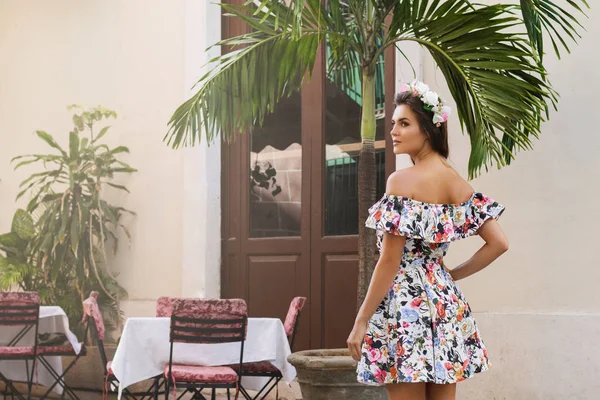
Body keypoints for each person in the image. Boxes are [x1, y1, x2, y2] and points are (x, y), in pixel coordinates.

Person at [347, 81, 509, 400]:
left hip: (407, 306)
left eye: (404, 123)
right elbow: (499, 243)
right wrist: (449, 275)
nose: (394, 130)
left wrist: (361, 320)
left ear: (428, 130)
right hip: (446, 303)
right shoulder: (453, 180)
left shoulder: (401, 181)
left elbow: (390, 261)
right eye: (393, 123)